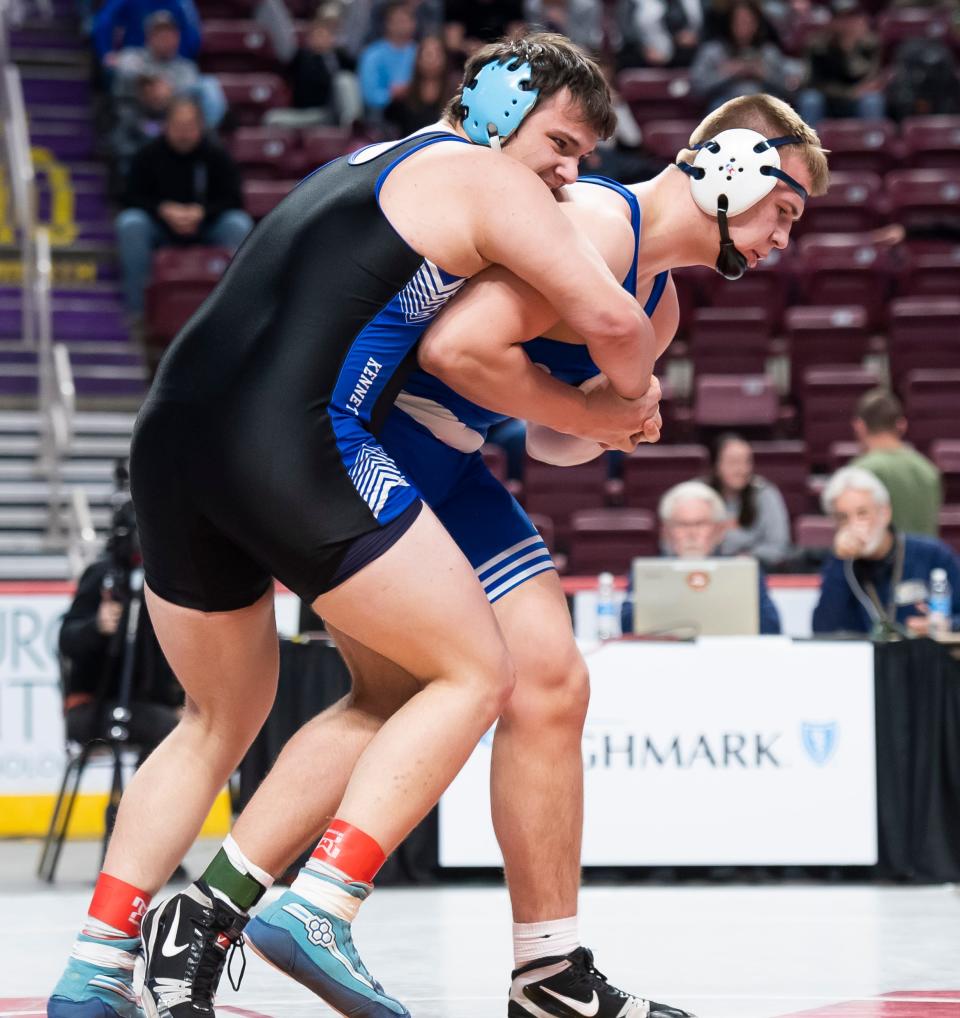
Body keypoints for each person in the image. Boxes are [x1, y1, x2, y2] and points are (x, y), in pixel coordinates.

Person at [48, 33, 664, 1018]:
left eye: (587, 157)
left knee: (218, 719)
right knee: (474, 670)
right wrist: (622, 408)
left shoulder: (357, 164)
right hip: (287, 439)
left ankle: (92, 967)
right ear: (502, 106)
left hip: (171, 436)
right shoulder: (487, 178)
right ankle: (322, 903)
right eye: (562, 141)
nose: (569, 171)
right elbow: (614, 318)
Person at [198, 90, 825, 1018]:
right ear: (731, 166)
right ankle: (297, 904)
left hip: (452, 464)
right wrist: (596, 411)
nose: (785, 237)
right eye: (786, 209)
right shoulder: (594, 220)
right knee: (432, 690)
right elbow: (458, 349)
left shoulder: (658, 307)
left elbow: (546, 443)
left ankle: (546, 970)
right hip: (382, 440)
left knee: (550, 686)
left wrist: (612, 428)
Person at [60, 501, 182, 756]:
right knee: (170, 728)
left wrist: (182, 702)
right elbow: (66, 640)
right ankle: (150, 796)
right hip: (94, 706)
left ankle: (152, 795)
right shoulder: (102, 576)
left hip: (149, 704)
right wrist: (97, 627)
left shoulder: (162, 580)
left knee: (193, 726)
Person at [114, 97, 253, 316]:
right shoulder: (147, 155)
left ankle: (234, 311)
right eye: (178, 126)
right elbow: (130, 196)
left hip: (206, 225)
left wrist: (201, 213)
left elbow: (234, 199)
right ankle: (138, 312)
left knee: (238, 223)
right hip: (160, 226)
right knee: (130, 223)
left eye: (189, 127)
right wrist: (163, 209)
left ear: (200, 127)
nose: (184, 133)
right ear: (166, 126)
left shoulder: (217, 155)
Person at [812, 466, 960, 637]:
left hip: (926, 659)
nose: (854, 526)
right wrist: (840, 560)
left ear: (885, 512)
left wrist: (947, 625)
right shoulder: (840, 565)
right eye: (843, 518)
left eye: (863, 513)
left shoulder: (931, 554)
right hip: (867, 661)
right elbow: (823, 631)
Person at [622, 480, 782, 634]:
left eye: (701, 524)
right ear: (666, 533)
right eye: (682, 524)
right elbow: (627, 628)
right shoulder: (644, 576)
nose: (692, 533)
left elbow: (772, 629)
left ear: (719, 531)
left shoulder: (746, 573)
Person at [111, 11, 226, 132]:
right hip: (138, 121)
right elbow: (123, 72)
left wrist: (169, 91)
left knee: (209, 84)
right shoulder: (133, 56)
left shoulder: (186, 67)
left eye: (169, 34)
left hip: (173, 124)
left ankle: (202, 135)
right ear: (148, 37)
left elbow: (188, 99)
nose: (165, 38)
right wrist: (152, 82)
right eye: (159, 34)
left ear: (177, 38)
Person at [850, 388, 942, 538]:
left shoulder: (860, 471)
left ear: (859, 426)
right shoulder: (928, 470)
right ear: (902, 425)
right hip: (926, 561)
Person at [689, 0, 806, 111]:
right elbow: (697, 89)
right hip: (725, 104)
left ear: (757, 24)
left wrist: (765, 74)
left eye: (749, 21)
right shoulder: (712, 51)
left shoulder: (769, 52)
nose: (744, 26)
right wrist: (726, 73)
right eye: (739, 21)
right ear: (729, 23)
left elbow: (790, 89)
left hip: (765, 105)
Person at [264, 5, 363, 129]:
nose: (321, 39)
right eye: (317, 35)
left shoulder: (342, 57)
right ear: (309, 39)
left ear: (333, 38)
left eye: (325, 35)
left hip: (336, 109)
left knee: (345, 79)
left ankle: (352, 124)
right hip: (310, 113)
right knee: (272, 118)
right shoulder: (301, 57)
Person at [706, 431, 792, 568]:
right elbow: (671, 545)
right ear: (715, 465)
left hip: (756, 569)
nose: (742, 469)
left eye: (747, 461)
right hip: (706, 568)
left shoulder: (765, 493)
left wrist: (747, 558)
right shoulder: (698, 496)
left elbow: (778, 547)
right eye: (733, 462)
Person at [795, 0, 885, 125]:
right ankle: (809, 142)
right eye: (841, 18)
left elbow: (872, 78)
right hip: (827, 101)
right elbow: (812, 82)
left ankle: (873, 141)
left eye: (851, 18)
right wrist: (849, 93)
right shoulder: (818, 46)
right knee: (810, 99)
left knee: (872, 100)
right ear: (832, 21)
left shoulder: (870, 45)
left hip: (857, 102)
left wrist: (851, 51)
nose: (847, 24)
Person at [92, 0, 202, 64]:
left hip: (172, 62)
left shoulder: (181, 3)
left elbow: (192, 36)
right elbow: (105, 21)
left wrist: (178, 60)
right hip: (137, 60)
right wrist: (106, 52)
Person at [357, 2, 418, 117]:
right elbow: (369, 95)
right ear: (388, 24)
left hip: (416, 109)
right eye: (398, 21)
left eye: (406, 21)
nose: (403, 26)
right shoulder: (372, 54)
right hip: (382, 113)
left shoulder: (420, 52)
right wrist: (391, 94)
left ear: (414, 24)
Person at [384, 36, 453, 136]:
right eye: (428, 54)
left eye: (437, 54)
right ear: (418, 60)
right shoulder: (404, 96)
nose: (432, 59)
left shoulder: (456, 96)